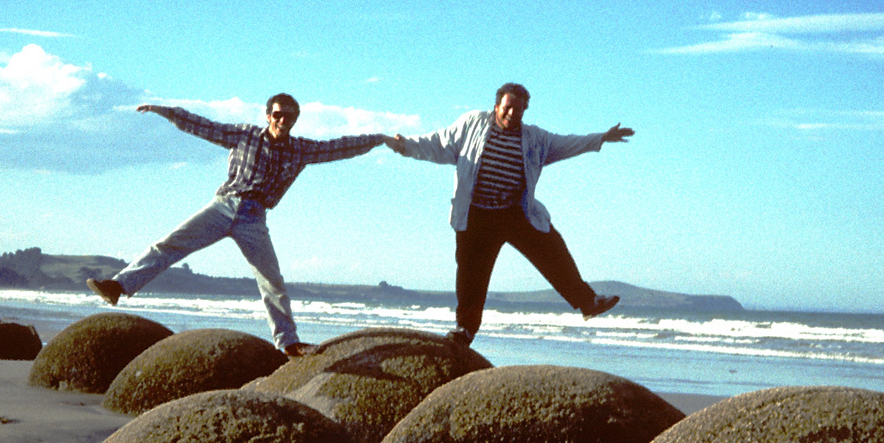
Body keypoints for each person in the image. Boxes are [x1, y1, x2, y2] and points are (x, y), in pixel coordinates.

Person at [87, 94, 384, 356]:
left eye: (289, 115)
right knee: (169, 245)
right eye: (277, 114)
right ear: (268, 115)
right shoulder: (245, 135)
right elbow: (203, 126)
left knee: (272, 280)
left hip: (254, 219)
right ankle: (118, 286)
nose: (282, 119)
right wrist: (166, 111)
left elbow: (340, 147)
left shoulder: (300, 150)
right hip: (223, 206)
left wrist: (378, 139)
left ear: (295, 119)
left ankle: (289, 343)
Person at [384, 83, 633, 345]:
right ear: (496, 106)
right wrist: (406, 146)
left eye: (519, 109)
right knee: (471, 276)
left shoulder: (535, 138)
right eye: (507, 107)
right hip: (476, 215)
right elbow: (438, 143)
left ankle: (588, 303)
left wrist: (601, 137)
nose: (512, 113)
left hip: (514, 215)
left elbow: (566, 143)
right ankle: (464, 330)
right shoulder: (472, 123)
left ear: (525, 110)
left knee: (554, 251)